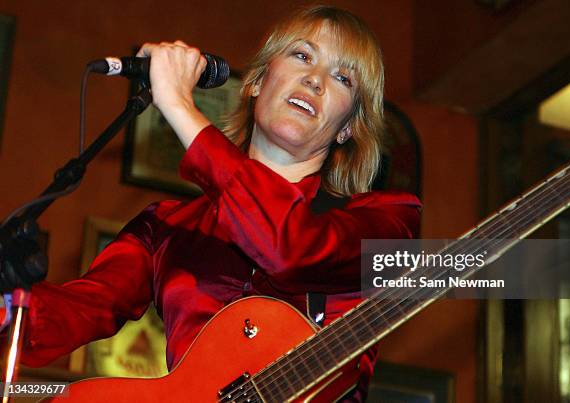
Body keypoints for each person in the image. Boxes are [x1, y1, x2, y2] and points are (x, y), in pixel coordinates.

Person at [10, 5, 420, 401]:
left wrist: (178, 105)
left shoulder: (388, 221)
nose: (315, 80)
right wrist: (8, 303)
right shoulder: (167, 226)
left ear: (347, 127)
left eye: (343, 78)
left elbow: (290, 248)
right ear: (258, 81)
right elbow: (78, 310)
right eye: (301, 55)